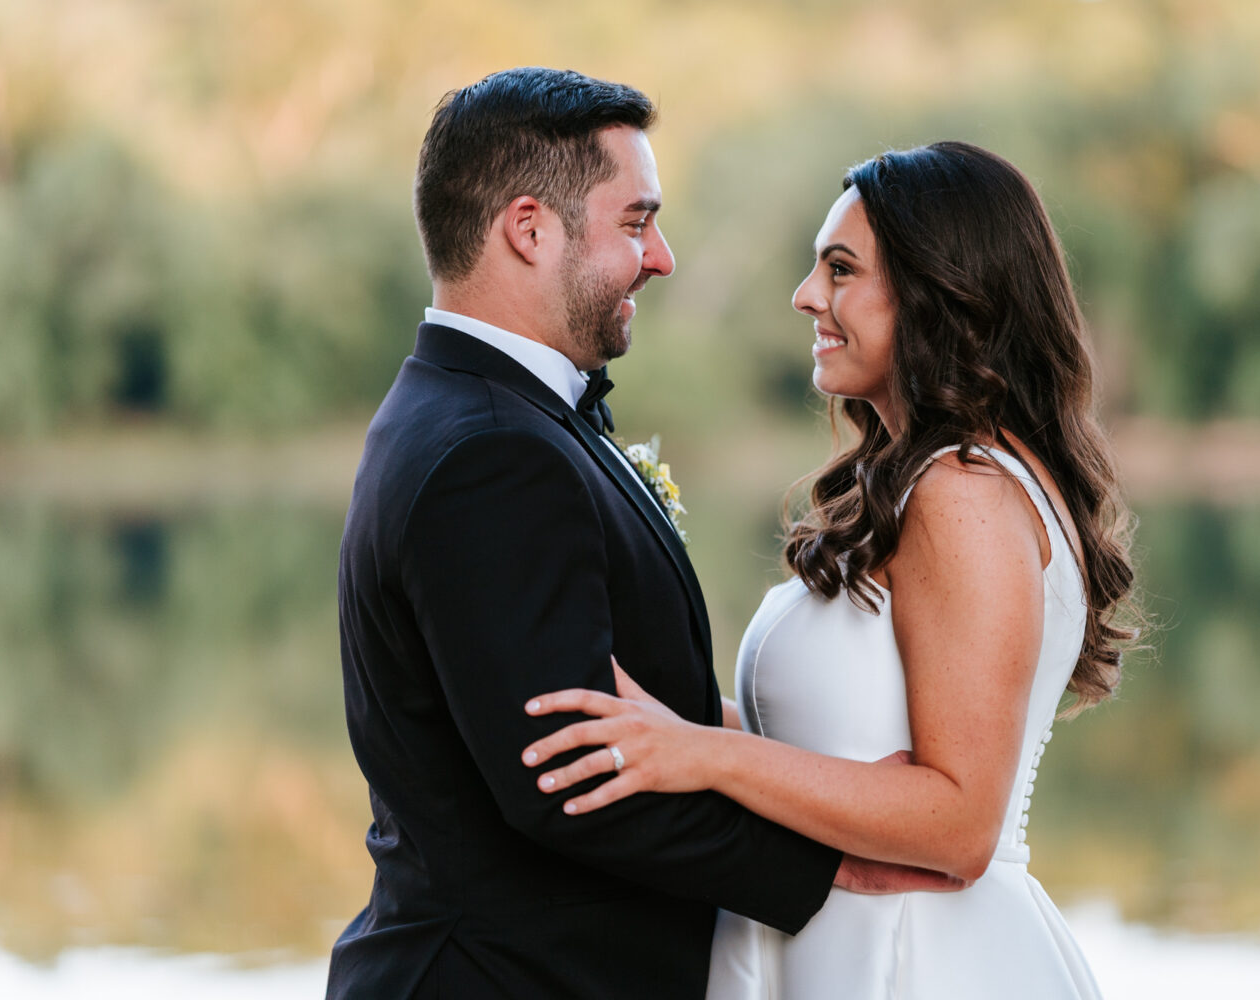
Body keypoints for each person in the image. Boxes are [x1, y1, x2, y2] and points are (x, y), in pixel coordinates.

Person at [326, 68, 951, 1000]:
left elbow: (647, 711)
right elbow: (569, 777)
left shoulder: (489, 418)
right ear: (529, 230)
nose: (660, 256)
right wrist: (829, 866)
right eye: (635, 221)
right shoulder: (491, 452)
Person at [522, 141, 1139, 998]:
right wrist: (668, 718)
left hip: (915, 957)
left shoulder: (963, 489)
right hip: (839, 935)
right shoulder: (932, 478)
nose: (807, 296)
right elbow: (830, 746)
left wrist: (703, 756)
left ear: (938, 293)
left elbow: (959, 820)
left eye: (841, 269)